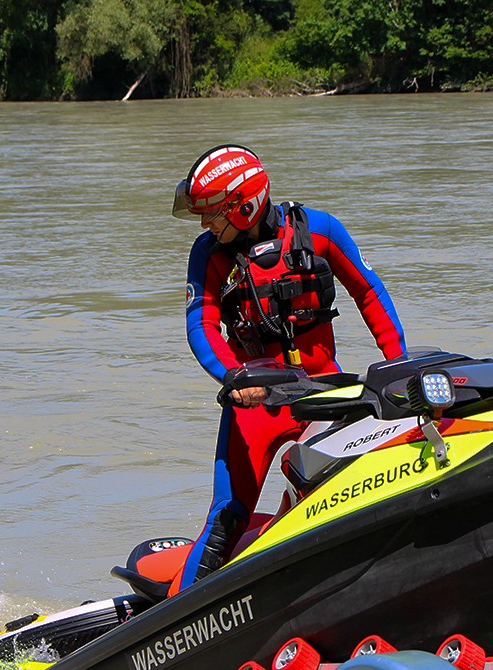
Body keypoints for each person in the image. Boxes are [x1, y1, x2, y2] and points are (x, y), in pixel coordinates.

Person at [173, 144, 406, 588]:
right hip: (255, 402)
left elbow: (370, 293)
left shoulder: (320, 230)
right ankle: (170, 623)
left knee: (359, 493)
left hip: (327, 396)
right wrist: (234, 377)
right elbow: (200, 326)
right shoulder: (209, 254)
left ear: (244, 206)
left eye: (212, 212)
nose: (204, 223)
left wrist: (398, 366)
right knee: (226, 520)